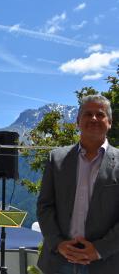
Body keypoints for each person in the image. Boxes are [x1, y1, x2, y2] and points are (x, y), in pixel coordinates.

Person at [37, 94, 119, 274]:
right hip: (58, 262)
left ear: (110, 122)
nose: (94, 118)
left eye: (100, 114)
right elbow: (45, 206)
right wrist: (58, 244)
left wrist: (99, 250)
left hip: (106, 264)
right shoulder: (56, 158)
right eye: (88, 114)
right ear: (78, 121)